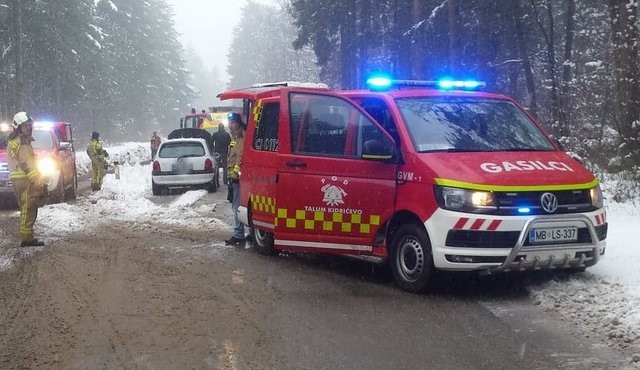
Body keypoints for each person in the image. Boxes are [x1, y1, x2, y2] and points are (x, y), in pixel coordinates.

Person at [6, 111, 46, 247]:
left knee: (26, 207)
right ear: (18, 127)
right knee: (28, 207)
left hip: (20, 179)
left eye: (30, 125)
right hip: (24, 180)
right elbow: (25, 163)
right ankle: (26, 238)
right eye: (25, 126)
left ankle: (27, 236)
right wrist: (37, 179)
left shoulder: (17, 141)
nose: (29, 128)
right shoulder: (21, 142)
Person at [224, 113, 246, 246]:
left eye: (231, 122)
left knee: (236, 206)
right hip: (234, 177)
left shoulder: (241, 138)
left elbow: (240, 157)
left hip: (237, 179)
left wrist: (235, 175)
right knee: (237, 205)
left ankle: (239, 234)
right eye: (229, 122)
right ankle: (243, 233)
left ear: (237, 123)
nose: (229, 124)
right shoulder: (235, 137)